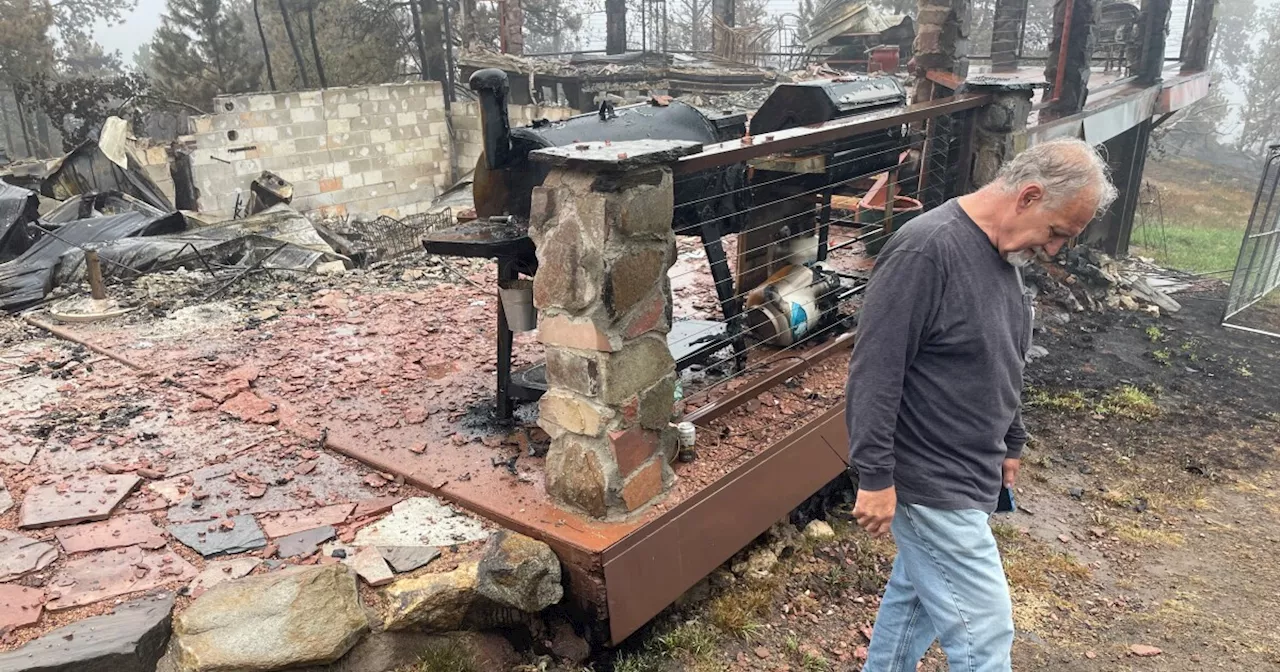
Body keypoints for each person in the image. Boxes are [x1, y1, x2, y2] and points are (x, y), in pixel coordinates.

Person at [845, 139, 1118, 671]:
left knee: (916, 601)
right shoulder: (928, 251)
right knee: (985, 635)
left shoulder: (1004, 252)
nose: (1055, 250)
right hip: (931, 478)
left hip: (970, 470)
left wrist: (1010, 440)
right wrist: (874, 475)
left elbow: (1003, 351)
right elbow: (875, 370)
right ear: (1029, 196)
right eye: (1057, 232)